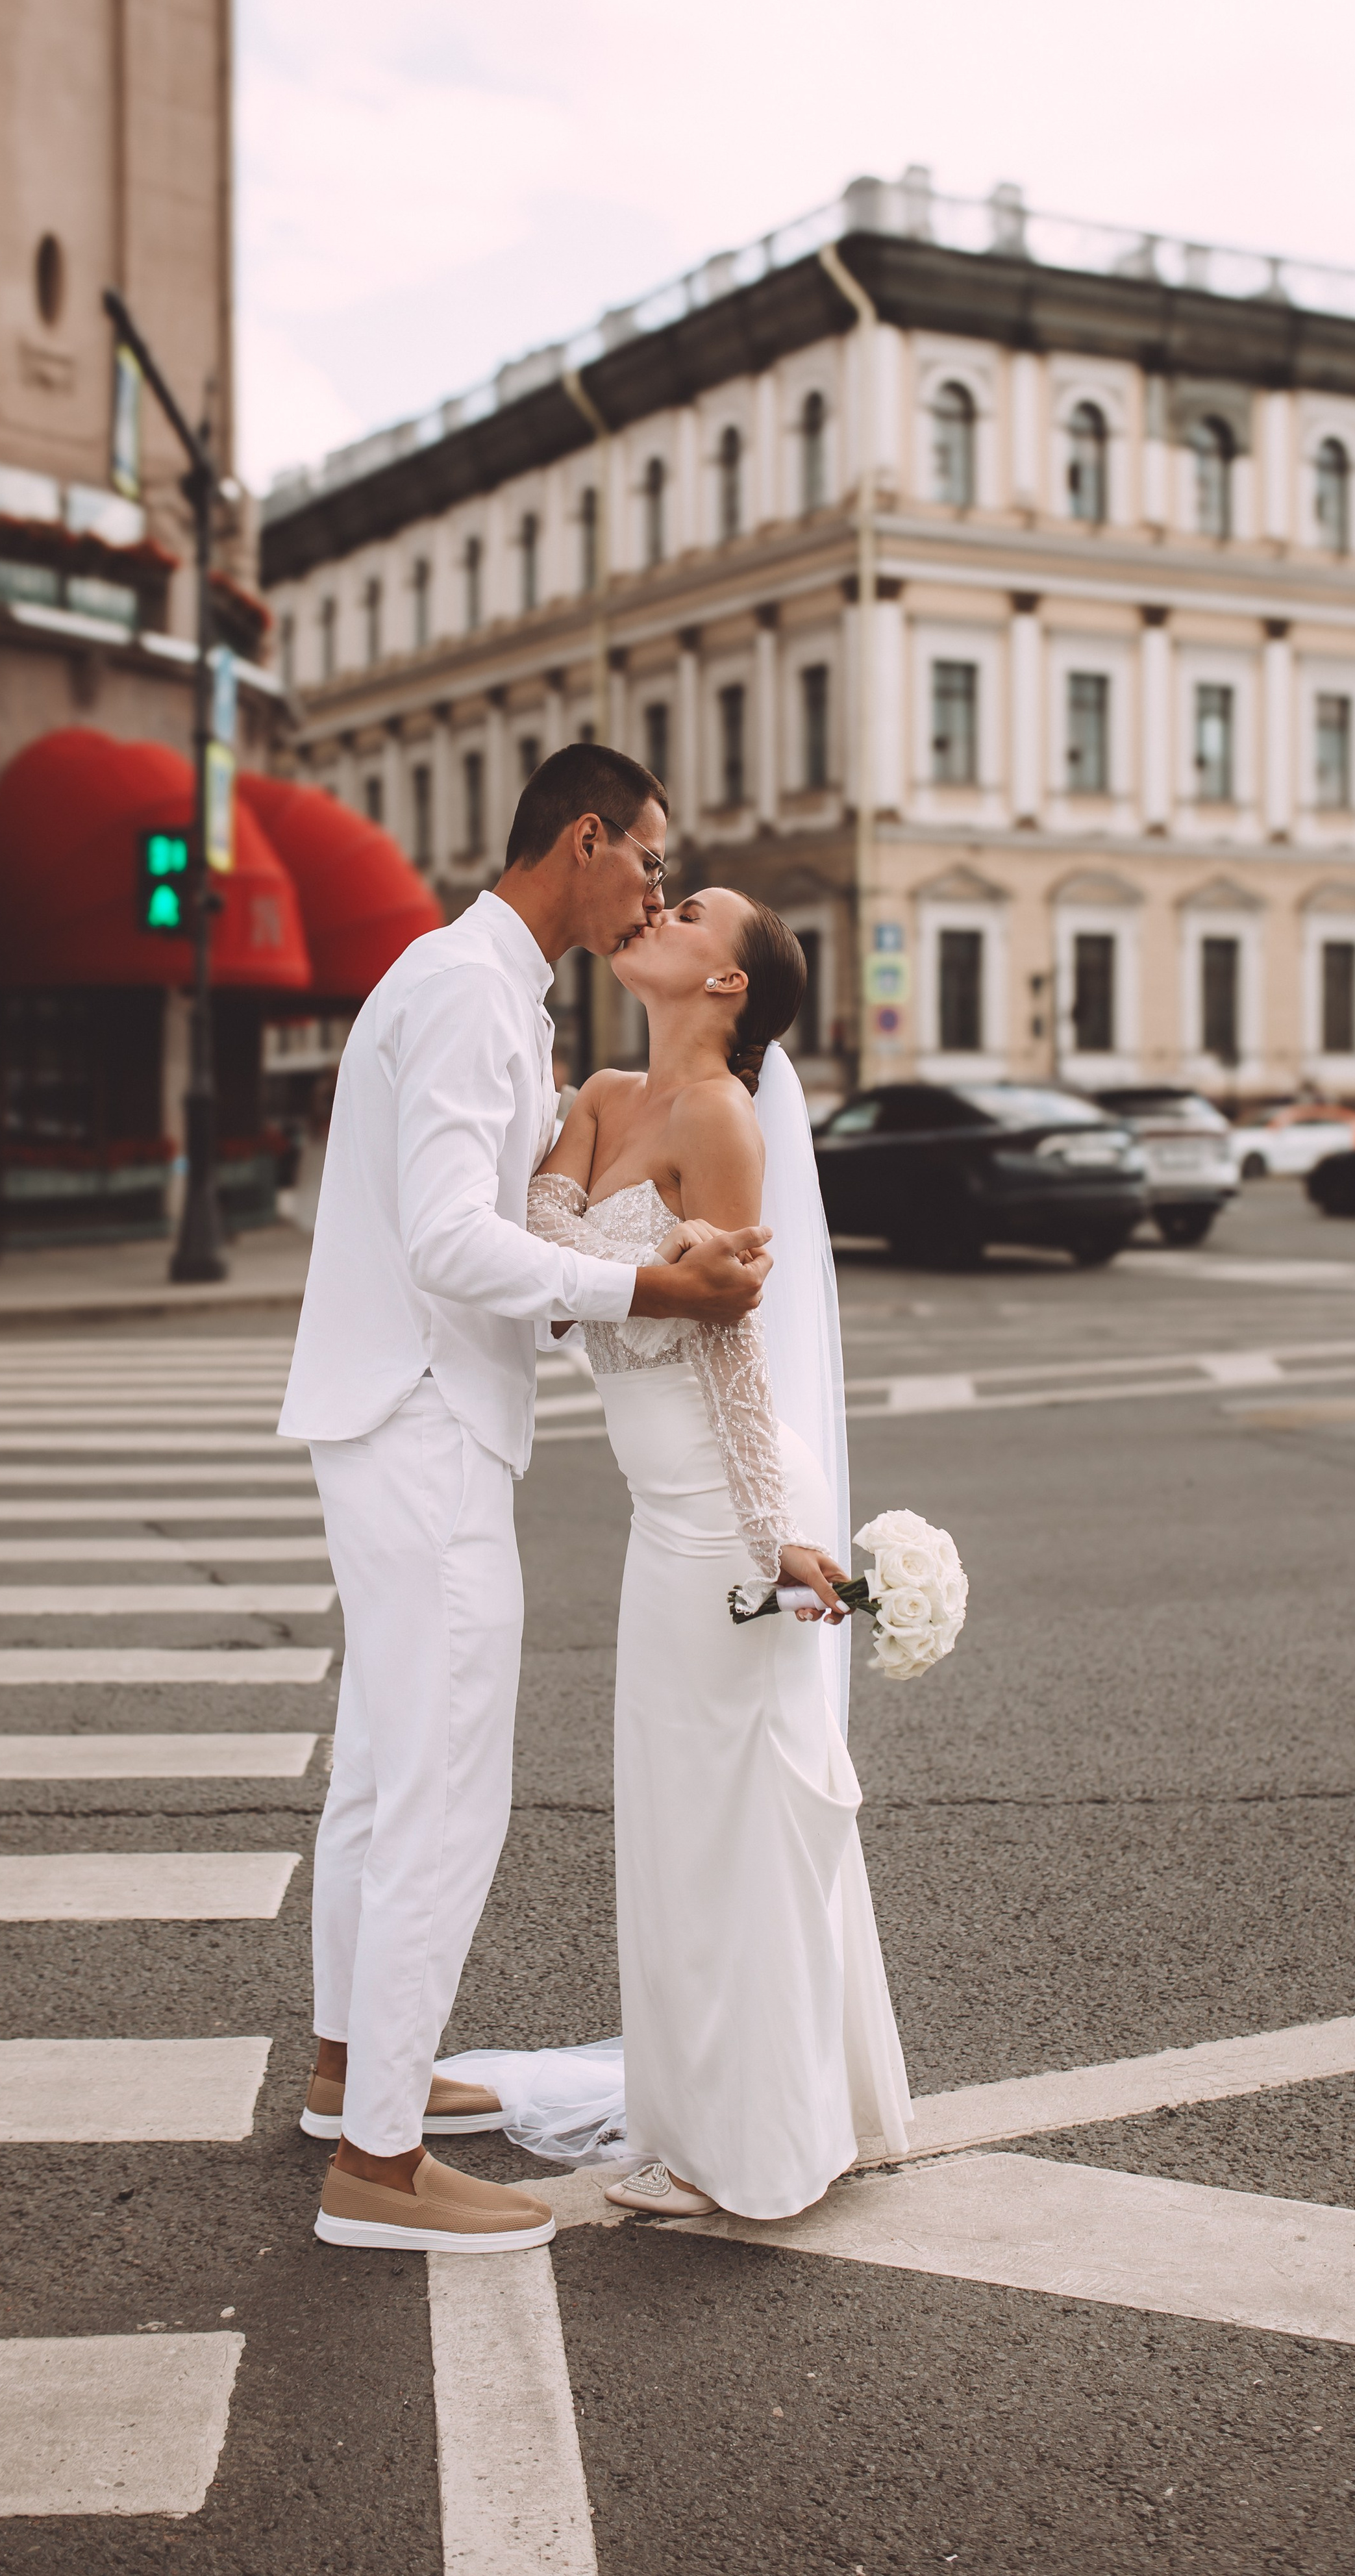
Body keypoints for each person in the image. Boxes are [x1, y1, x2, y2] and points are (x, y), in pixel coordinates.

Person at [279, 745, 773, 2256]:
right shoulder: (463, 992)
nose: (654, 888)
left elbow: (481, 1225)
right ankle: (374, 2167)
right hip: (422, 1417)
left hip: (406, 1412)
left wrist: (605, 1268)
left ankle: (356, 2071)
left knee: (381, 1769)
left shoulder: (484, 988)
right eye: (647, 857)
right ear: (584, 839)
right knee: (443, 1783)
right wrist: (641, 1282)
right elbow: (443, 1238)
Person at [457, 885, 912, 2220]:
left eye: (692, 910)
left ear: (726, 984)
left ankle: (753, 2148)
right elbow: (533, 1263)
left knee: (737, 1828)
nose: (658, 906)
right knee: (672, 1824)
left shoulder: (717, 1120)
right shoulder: (596, 1098)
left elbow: (732, 1351)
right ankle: (722, 2109)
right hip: (663, 1519)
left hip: (727, 1509)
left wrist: (782, 1539)